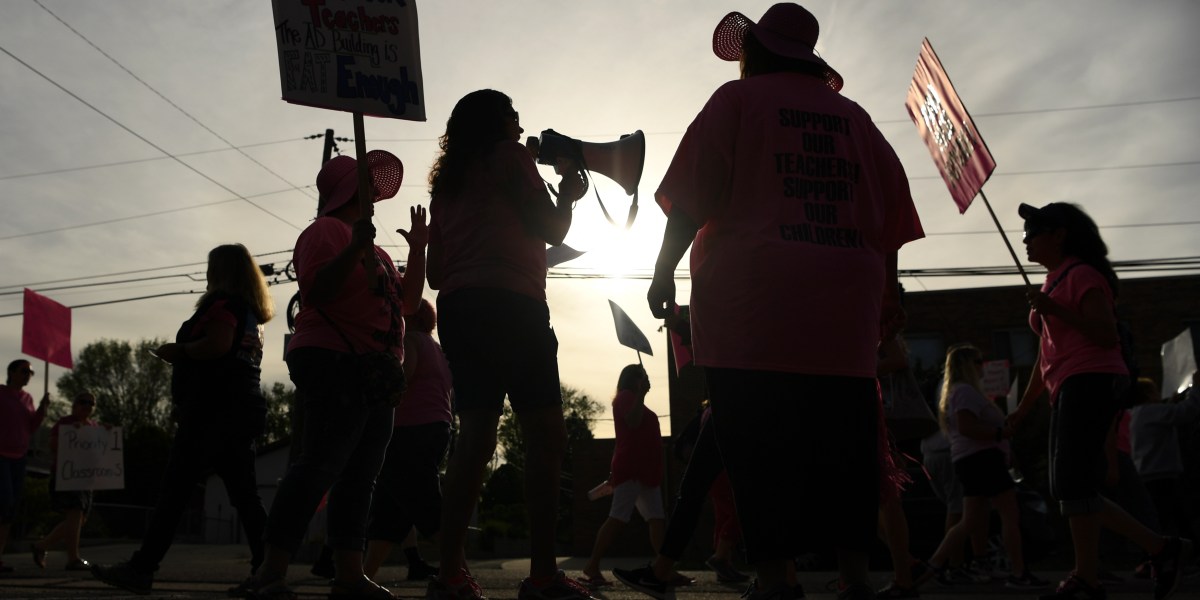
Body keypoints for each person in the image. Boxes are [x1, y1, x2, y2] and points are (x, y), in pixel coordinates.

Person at [644, 4, 924, 600]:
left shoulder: (735, 102)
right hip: (844, 314)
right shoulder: (855, 119)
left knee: (757, 450)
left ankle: (777, 579)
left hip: (751, 308)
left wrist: (663, 271)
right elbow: (891, 220)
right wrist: (886, 292)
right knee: (846, 451)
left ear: (757, 52)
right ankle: (854, 578)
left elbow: (692, 198)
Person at [425, 88, 590, 600]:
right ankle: (542, 577)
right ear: (497, 123)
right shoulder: (509, 157)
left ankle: (449, 575)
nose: (521, 126)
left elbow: (433, 273)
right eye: (513, 116)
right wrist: (567, 193)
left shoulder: (445, 183)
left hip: (459, 310)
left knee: (474, 438)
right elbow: (553, 228)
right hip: (513, 306)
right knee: (545, 435)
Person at [242, 152, 428, 600]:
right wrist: (352, 249)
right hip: (335, 360)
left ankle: (349, 574)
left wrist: (418, 250)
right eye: (365, 185)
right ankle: (271, 570)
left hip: (375, 372)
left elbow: (408, 305)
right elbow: (317, 291)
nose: (374, 196)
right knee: (320, 465)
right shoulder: (324, 232)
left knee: (360, 475)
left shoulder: (378, 251)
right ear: (346, 189)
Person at [1008, 201, 1193, 600]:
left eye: (1032, 234)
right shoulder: (1051, 283)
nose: (1025, 242)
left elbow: (1106, 335)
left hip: (1091, 378)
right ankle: (1092, 575)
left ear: (1059, 235)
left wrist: (1055, 310)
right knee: (1070, 487)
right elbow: (1046, 357)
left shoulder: (1083, 275)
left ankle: (1154, 549)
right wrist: (1023, 409)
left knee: (1071, 485)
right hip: (1069, 385)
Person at [91, 243, 275, 594]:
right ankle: (267, 568)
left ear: (221, 272)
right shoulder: (250, 313)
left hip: (213, 413)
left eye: (210, 268)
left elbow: (217, 345)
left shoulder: (223, 306)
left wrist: (179, 352)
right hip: (238, 408)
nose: (206, 275)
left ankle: (142, 568)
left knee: (175, 493)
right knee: (244, 495)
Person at [922, 344, 1046, 591]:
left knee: (969, 520)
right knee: (1009, 515)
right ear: (967, 365)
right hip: (982, 460)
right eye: (978, 361)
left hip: (972, 461)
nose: (983, 366)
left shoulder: (958, 392)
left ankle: (932, 566)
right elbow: (967, 427)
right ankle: (1019, 572)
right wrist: (1001, 432)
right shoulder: (965, 392)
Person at [613, 403, 762, 600]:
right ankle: (777, 580)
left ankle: (662, 571)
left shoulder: (717, 405)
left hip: (733, 401)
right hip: (742, 404)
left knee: (695, 490)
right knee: (707, 496)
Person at [363, 298, 453, 582]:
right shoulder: (438, 349)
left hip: (409, 430)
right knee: (390, 511)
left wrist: (376, 392)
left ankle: (458, 573)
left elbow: (405, 376)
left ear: (410, 318)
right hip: (438, 427)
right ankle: (364, 575)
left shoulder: (411, 340)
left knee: (425, 504)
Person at [581, 365, 667, 586]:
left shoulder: (631, 398)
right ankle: (592, 565)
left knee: (656, 519)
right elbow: (633, 422)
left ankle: (663, 567)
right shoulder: (625, 398)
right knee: (618, 518)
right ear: (633, 379)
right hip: (633, 470)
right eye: (642, 376)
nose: (645, 380)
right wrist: (641, 394)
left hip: (644, 472)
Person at [31, 391, 100, 571]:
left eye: (91, 404)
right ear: (75, 405)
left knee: (79, 519)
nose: (87, 406)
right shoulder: (65, 423)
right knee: (75, 513)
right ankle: (73, 558)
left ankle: (41, 546)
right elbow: (53, 445)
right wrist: (73, 434)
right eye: (83, 402)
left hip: (86, 479)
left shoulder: (93, 427)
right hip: (67, 476)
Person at [1131, 375, 1200, 541]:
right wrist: (1197, 388)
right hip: (1162, 474)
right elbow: (1187, 411)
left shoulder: (1136, 414)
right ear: (1148, 395)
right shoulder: (1154, 412)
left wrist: (1170, 403)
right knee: (1176, 517)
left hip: (1146, 474)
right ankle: (1187, 551)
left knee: (1161, 517)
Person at [0, 359, 49, 574]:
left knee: (9, 510)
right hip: (0, 455)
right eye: (23, 371)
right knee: (4, 501)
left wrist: (42, 410)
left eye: (30, 372)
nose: (27, 375)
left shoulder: (27, 398)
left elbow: (30, 427)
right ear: (11, 372)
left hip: (19, 458)